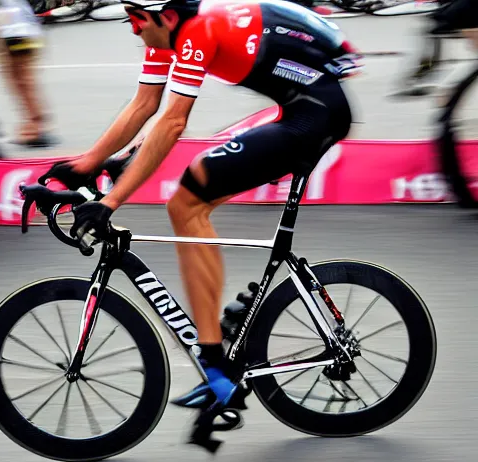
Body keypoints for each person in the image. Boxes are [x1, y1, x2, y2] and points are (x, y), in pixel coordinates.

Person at [49, 0, 362, 410]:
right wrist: (85, 165)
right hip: (299, 106)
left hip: (314, 115)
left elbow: (173, 122)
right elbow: (144, 107)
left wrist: (111, 201)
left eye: (136, 19)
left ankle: (215, 365)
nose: (132, 29)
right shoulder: (166, 31)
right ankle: (217, 348)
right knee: (187, 201)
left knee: (186, 203)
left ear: (168, 16)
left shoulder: (199, 30)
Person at [0, 0, 56, 146]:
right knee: (22, 81)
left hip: (13, 33)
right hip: (25, 28)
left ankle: (35, 128)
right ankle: (32, 126)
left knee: (21, 81)